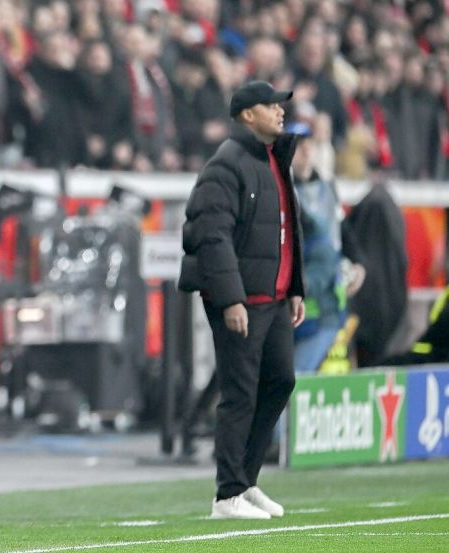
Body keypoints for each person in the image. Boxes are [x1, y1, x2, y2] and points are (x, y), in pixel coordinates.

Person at [178, 81, 305, 520]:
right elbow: (210, 236)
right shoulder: (226, 164)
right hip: (241, 300)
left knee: (280, 381)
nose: (280, 111)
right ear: (247, 114)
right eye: (271, 105)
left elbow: (286, 233)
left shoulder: (273, 160)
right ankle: (227, 494)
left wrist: (295, 288)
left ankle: (246, 482)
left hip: (272, 298)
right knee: (239, 394)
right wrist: (231, 299)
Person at [290, 123, 365, 375]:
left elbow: (341, 230)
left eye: (308, 145)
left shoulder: (327, 188)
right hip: (300, 293)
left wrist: (358, 263)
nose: (305, 152)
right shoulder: (283, 190)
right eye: (298, 147)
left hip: (329, 297)